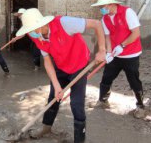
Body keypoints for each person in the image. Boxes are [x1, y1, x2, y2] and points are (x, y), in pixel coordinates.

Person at [16, 8, 106, 143]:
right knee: (53, 97)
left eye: (32, 30)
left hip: (79, 65)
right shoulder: (36, 36)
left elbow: (97, 24)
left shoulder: (64, 23)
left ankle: (79, 140)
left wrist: (102, 50)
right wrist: (57, 85)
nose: (31, 33)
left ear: (41, 25)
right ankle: (46, 127)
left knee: (76, 104)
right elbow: (47, 61)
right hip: (61, 66)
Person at [91, 0, 145, 118]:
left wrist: (122, 45)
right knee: (106, 78)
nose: (101, 9)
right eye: (100, 7)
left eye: (103, 6)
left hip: (131, 54)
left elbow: (136, 33)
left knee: (134, 81)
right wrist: (109, 52)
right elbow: (107, 36)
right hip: (115, 54)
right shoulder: (104, 19)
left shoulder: (127, 12)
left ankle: (140, 106)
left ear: (111, 4)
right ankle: (103, 101)